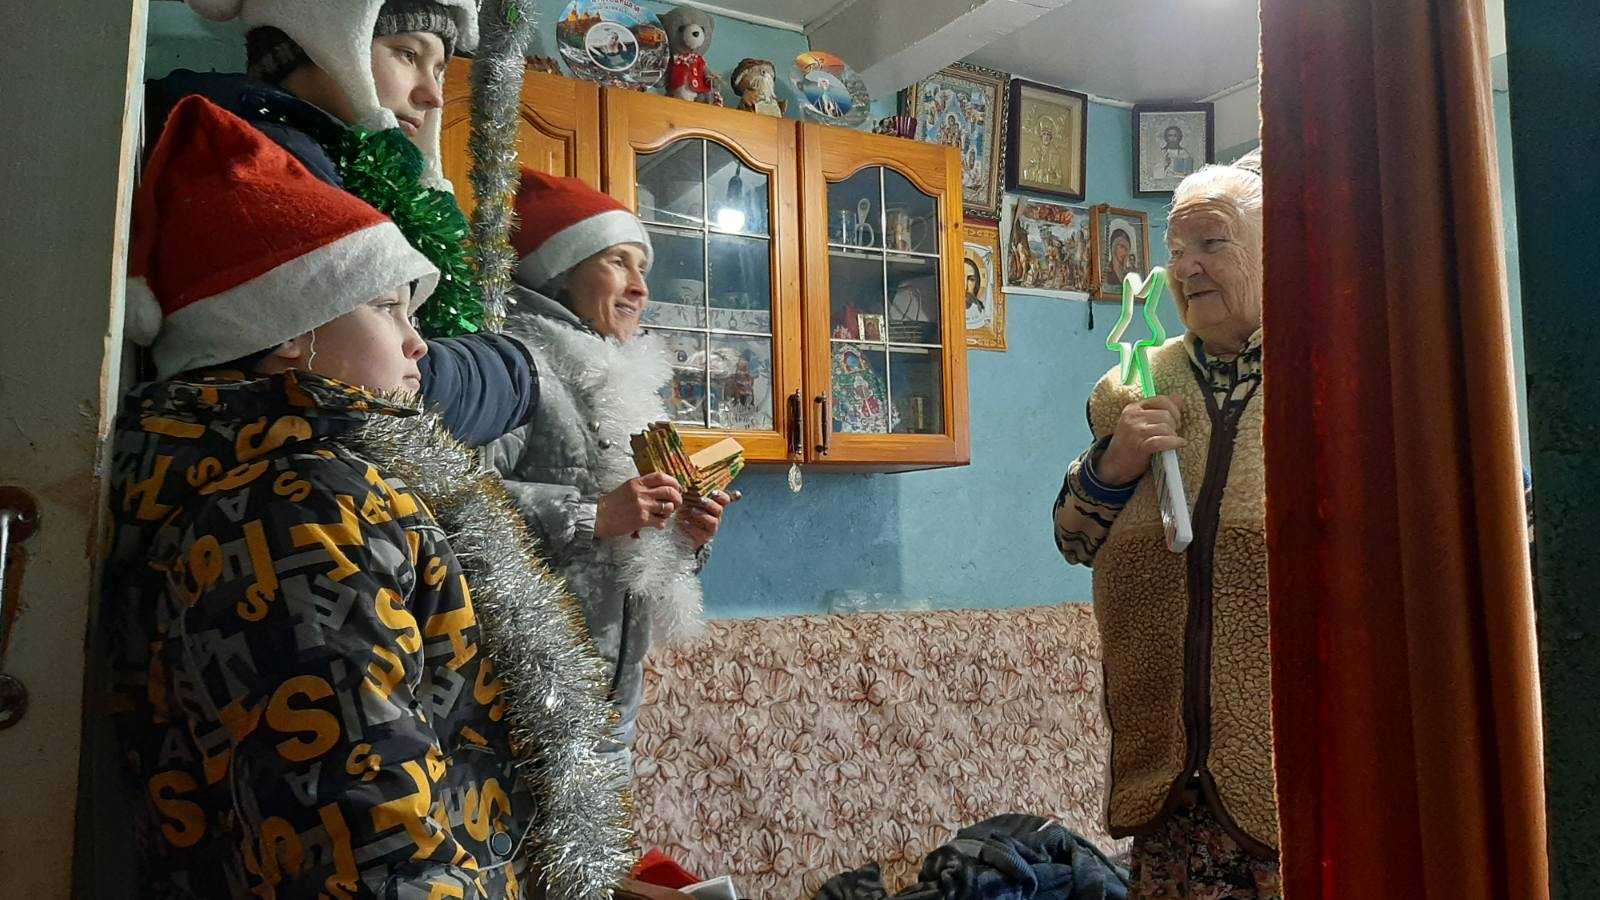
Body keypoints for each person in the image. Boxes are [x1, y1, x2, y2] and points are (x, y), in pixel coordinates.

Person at [105, 97, 630, 898]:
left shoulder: (307, 478)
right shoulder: (302, 509)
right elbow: (371, 839)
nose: (419, 342)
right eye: (388, 307)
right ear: (291, 329)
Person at [140, 0, 537, 449]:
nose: (433, 95)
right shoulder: (260, 172)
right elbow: (364, 381)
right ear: (327, 39)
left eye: (439, 69)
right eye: (408, 55)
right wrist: (518, 372)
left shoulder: (364, 173)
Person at [1051, 150, 1279, 898]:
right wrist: (1114, 464)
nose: (1186, 268)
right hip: (1166, 786)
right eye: (1176, 250)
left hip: (1287, 778)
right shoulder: (1134, 384)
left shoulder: (1327, 380)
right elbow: (1073, 539)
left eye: (1212, 242)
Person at [481, 171, 737, 762]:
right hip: (523, 692)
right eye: (618, 262)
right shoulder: (513, 367)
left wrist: (686, 533)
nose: (640, 287)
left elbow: (634, 538)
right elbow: (453, 501)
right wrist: (594, 515)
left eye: (642, 268)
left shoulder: (632, 386)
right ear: (561, 270)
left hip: (614, 694)